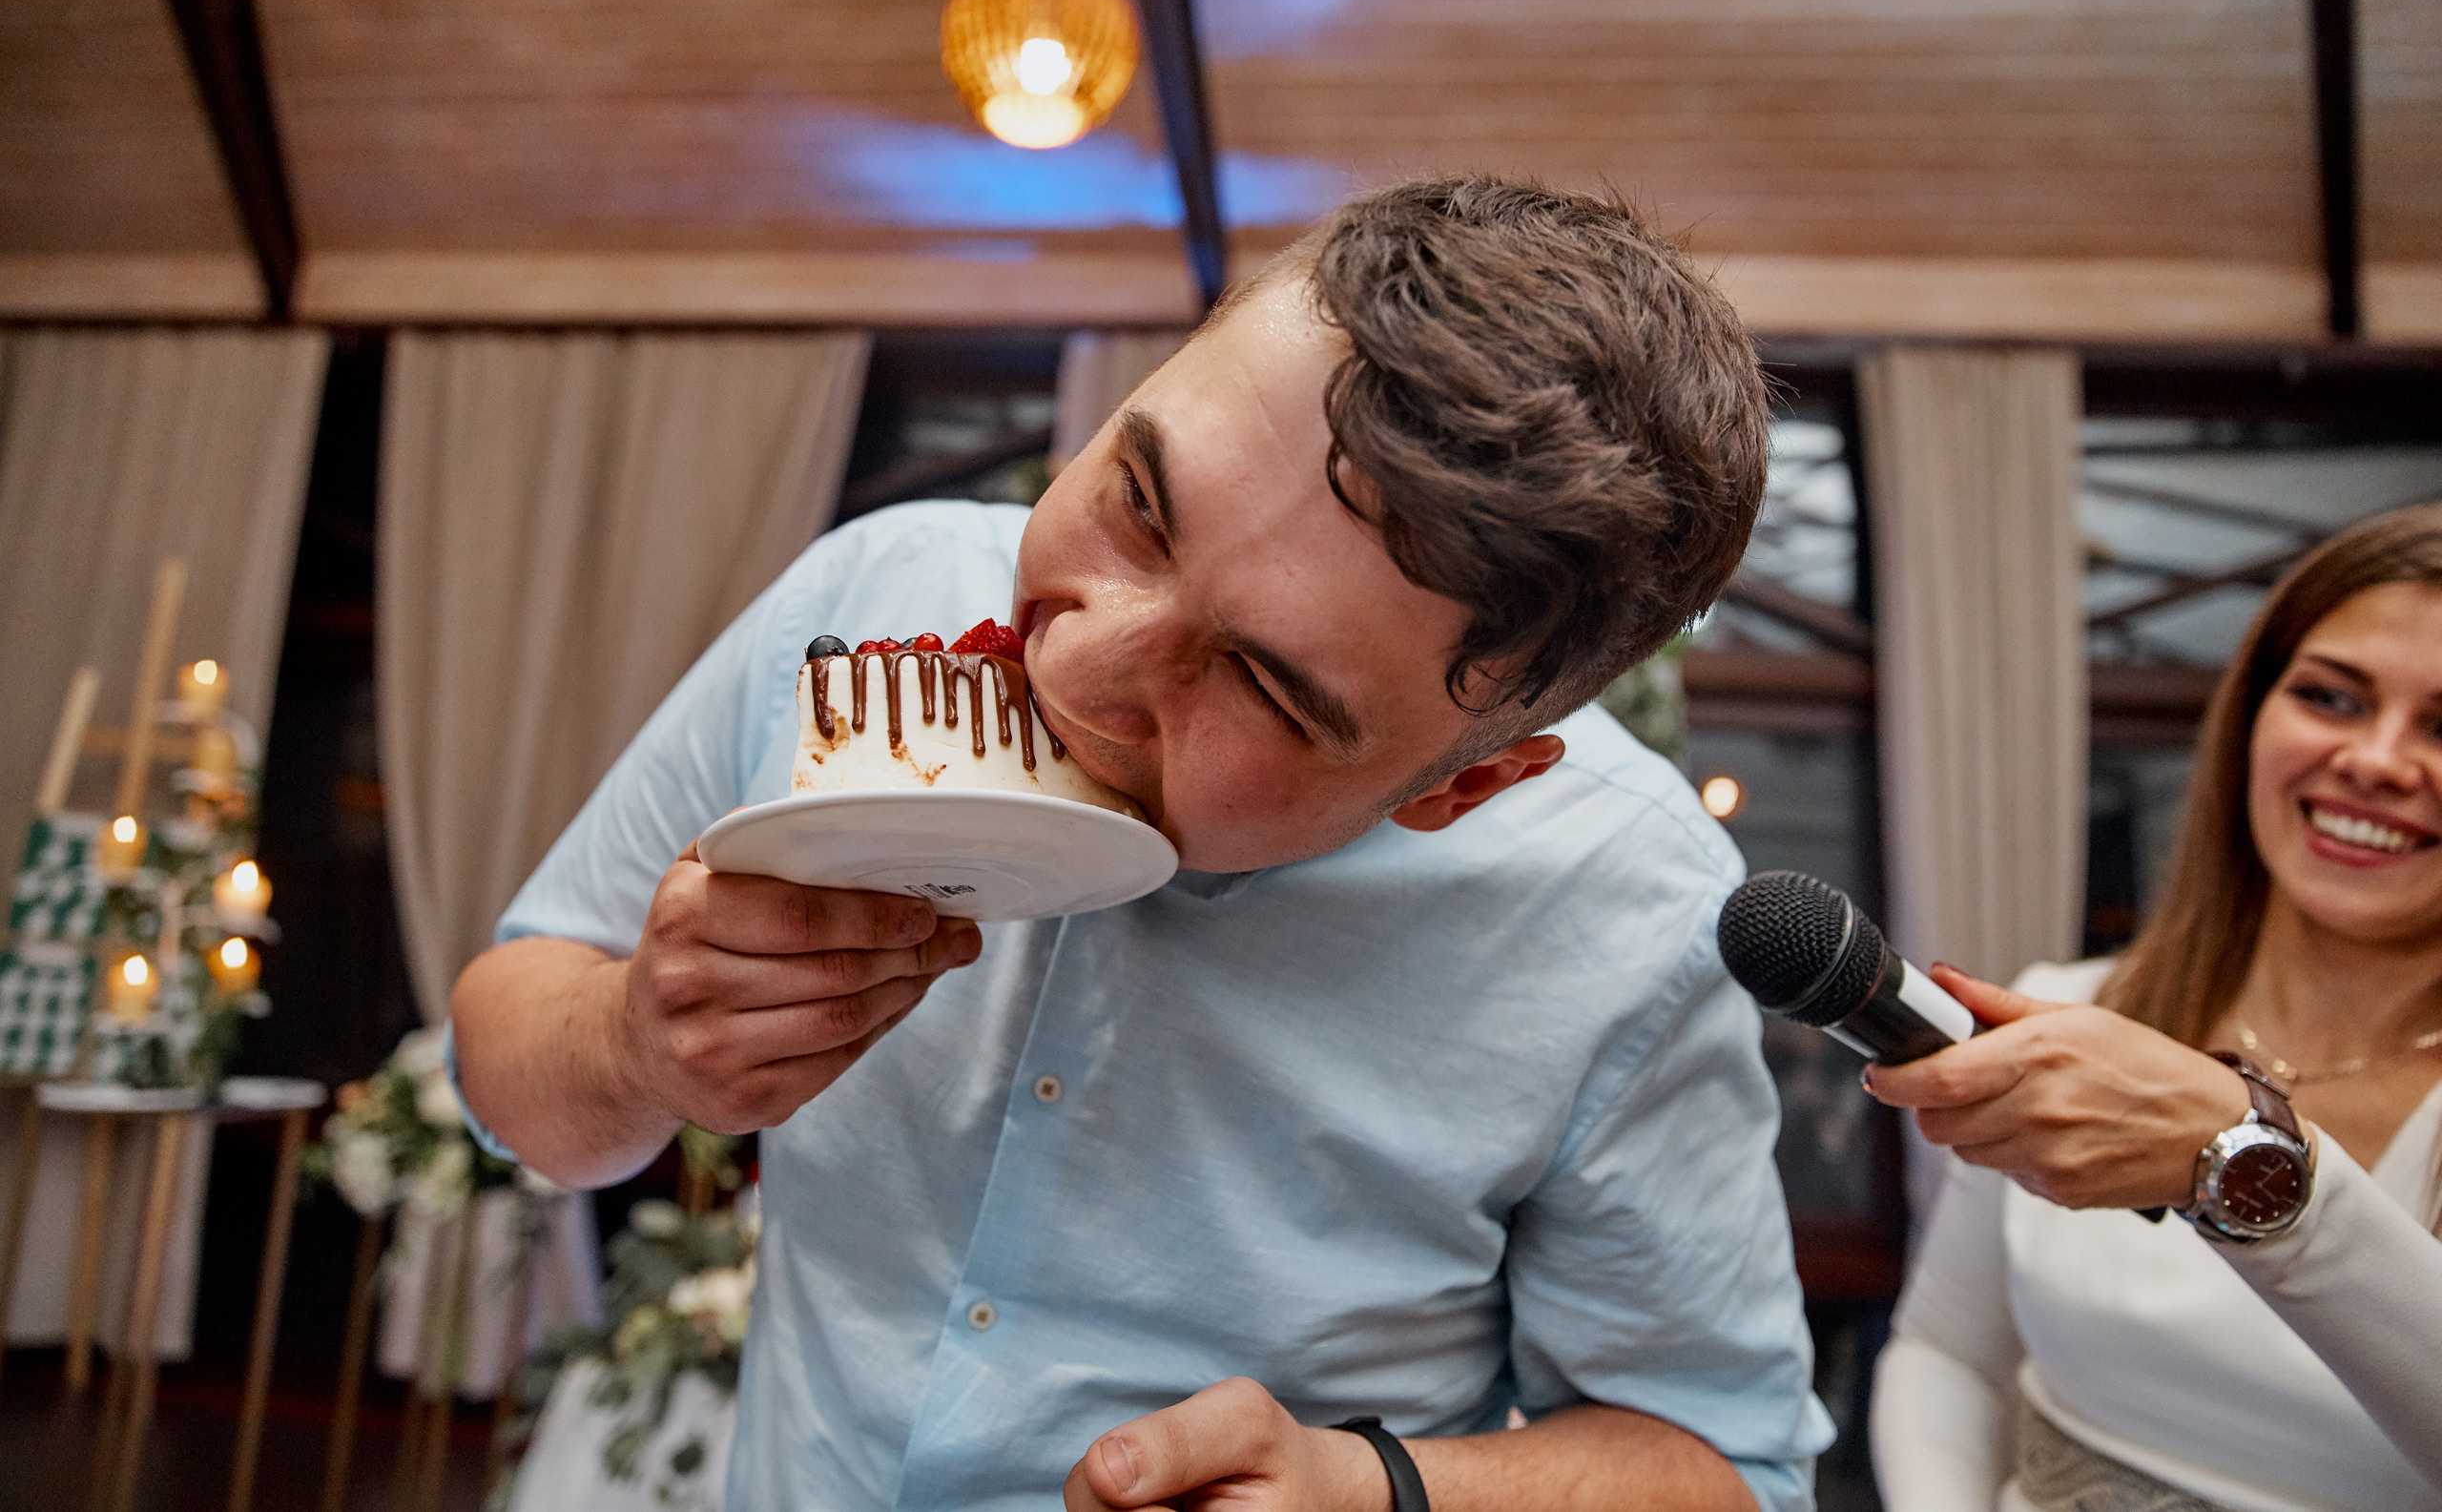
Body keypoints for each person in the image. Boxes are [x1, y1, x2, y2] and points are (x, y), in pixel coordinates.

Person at [448, 178, 1837, 1512]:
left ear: (1463, 784)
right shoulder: (875, 591)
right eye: (1139, 500)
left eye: (1263, 683)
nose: (1073, 661)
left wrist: (1378, 1489)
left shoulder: (1629, 913)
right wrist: (629, 1044)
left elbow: (1730, 1467)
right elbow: (503, 1050)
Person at [1868, 503, 2442, 1512]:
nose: (2377, 760)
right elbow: (1945, 1352)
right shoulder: (2070, 1007)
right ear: (2248, 717)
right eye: (2331, 698)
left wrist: (2253, 1164)